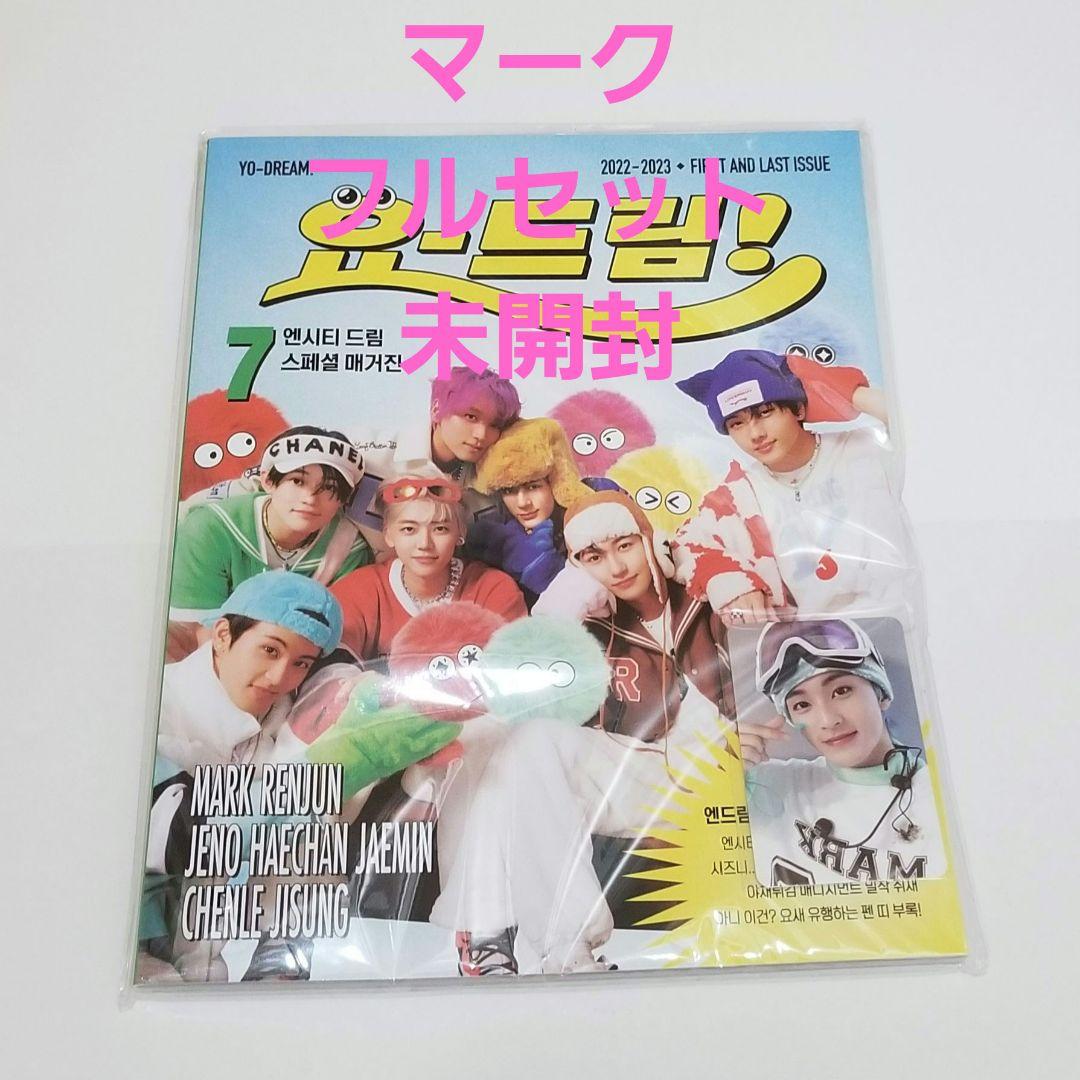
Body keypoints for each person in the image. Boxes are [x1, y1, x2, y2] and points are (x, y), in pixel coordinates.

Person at [436, 489, 738, 975]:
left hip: (727, 777)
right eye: (594, 557)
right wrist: (558, 612)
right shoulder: (591, 624)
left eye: (625, 545)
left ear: (650, 540)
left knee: (514, 749)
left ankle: (485, 927)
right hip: (641, 775)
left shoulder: (707, 593)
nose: (616, 568)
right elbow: (511, 693)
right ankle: (567, 947)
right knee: (507, 739)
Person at [139, 571, 344, 982]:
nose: (279, 677)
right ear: (222, 636)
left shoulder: (287, 723)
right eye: (269, 650)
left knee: (315, 820)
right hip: (128, 937)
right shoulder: (152, 703)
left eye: (301, 663)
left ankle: (280, 964)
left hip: (210, 941)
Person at [672, 349, 913, 623]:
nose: (755, 434)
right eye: (737, 424)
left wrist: (840, 389)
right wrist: (729, 580)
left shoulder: (863, 449)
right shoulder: (739, 495)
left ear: (798, 408)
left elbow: (920, 422)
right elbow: (684, 546)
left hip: (900, 625)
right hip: (813, 643)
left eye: (765, 412)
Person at [737, 617, 947, 886]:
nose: (828, 720)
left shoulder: (943, 800)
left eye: (841, 691)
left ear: (881, 694)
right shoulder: (764, 786)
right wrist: (714, 770)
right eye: (802, 705)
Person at [168, 426, 371, 659]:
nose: (310, 498)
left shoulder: (349, 548)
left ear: (344, 499)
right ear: (267, 481)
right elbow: (194, 635)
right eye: (297, 481)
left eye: (329, 488)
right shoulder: (209, 528)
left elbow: (330, 639)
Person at [329, 474, 527, 665]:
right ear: (388, 534)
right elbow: (331, 671)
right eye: (409, 529)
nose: (424, 544)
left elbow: (514, 670)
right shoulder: (357, 590)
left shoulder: (494, 590)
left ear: (460, 532)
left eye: (440, 529)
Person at [345, 367, 522, 544]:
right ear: (436, 409)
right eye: (470, 416)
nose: (481, 435)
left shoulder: (498, 481)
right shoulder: (366, 453)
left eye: (495, 425)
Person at [467, 416, 613, 607]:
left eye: (533, 487)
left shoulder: (597, 500)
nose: (522, 503)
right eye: (508, 491)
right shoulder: (497, 541)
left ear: (556, 481)